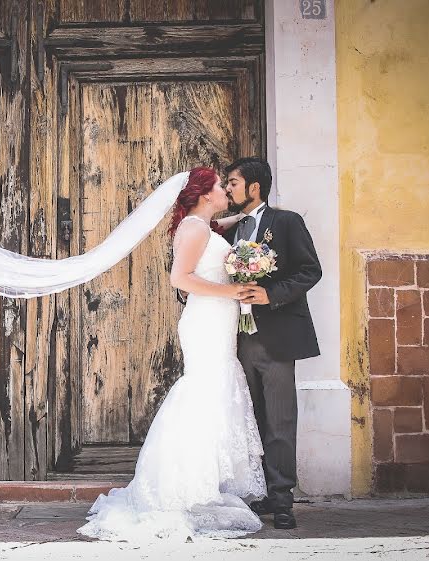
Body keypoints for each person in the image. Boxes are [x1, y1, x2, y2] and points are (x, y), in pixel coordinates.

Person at [77, 167, 266, 542]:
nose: (226, 191)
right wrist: (233, 292)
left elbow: (220, 227)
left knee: (214, 392)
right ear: (204, 193)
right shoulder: (196, 229)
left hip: (217, 319)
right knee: (203, 392)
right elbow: (180, 278)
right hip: (207, 320)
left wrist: (248, 215)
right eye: (220, 186)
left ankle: (202, 484)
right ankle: (185, 488)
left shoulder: (202, 225)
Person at [223, 157, 322, 530]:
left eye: (232, 182)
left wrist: (270, 295)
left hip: (277, 338)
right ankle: (261, 491)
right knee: (252, 420)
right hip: (238, 341)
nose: (227, 188)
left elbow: (310, 270)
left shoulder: (287, 222)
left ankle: (282, 500)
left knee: (280, 421)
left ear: (254, 187)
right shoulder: (229, 231)